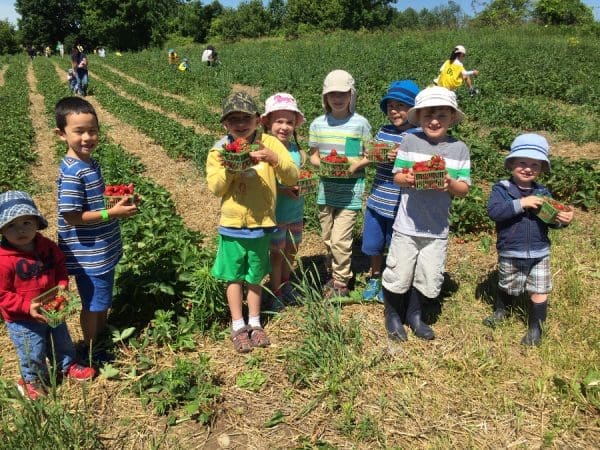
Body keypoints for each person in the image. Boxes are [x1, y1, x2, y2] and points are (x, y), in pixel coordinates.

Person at [206, 91, 298, 353]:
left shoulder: (268, 143)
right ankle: (238, 325)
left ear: (257, 120)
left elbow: (292, 176)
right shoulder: (219, 150)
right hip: (233, 224)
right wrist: (230, 168)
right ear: (225, 124)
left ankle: (255, 323)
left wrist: (274, 159)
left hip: (261, 224)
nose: (240, 124)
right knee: (234, 277)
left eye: (245, 118)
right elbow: (215, 187)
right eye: (233, 119)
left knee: (255, 275)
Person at [381, 86, 471, 341]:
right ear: (418, 117)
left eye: (442, 115)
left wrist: (450, 184)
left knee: (429, 276)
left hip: (437, 228)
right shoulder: (410, 141)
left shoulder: (459, 149)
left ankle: (415, 314)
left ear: (452, 118)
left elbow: (464, 189)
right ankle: (392, 314)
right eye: (428, 115)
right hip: (407, 224)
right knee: (399, 273)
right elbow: (397, 175)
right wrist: (407, 178)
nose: (434, 121)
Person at [55, 97, 138, 363]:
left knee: (101, 300)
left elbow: (92, 200)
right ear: (61, 134)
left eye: (92, 130)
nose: (87, 137)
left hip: (101, 247)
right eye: (78, 131)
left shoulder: (89, 164)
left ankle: (99, 337)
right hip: (89, 254)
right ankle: (91, 348)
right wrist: (110, 212)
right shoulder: (72, 173)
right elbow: (70, 215)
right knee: (93, 304)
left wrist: (116, 198)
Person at [0, 191, 96, 400]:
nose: (20, 230)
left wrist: (62, 284)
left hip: (53, 307)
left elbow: (60, 266)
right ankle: (32, 380)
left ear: (37, 222)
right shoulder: (4, 260)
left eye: (26, 222)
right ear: (2, 230)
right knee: (32, 350)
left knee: (62, 340)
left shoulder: (47, 247)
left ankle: (67, 364)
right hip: (22, 318)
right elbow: (2, 294)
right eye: (11, 225)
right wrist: (27, 307)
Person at [485, 134, 574, 346]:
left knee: (540, 288)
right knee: (508, 284)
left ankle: (536, 329)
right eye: (522, 162)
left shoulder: (543, 192)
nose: (527, 168)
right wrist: (521, 203)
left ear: (542, 168)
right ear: (512, 164)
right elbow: (495, 212)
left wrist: (563, 219)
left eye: (535, 164)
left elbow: (551, 221)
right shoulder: (502, 189)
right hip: (510, 249)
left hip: (539, 251)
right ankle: (502, 310)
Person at [309, 69, 372, 298]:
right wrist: (322, 165)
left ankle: (342, 282)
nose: (337, 98)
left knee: (340, 239)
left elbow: (369, 154)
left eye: (342, 94)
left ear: (351, 95)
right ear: (325, 97)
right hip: (326, 190)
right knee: (328, 237)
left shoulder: (360, 124)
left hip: (350, 191)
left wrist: (355, 166)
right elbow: (313, 155)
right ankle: (332, 273)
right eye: (332, 94)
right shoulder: (317, 124)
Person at [361, 80, 421, 303]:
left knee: (396, 244)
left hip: (402, 203)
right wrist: (383, 154)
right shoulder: (384, 131)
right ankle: (375, 276)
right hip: (378, 197)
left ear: (413, 110)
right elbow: (371, 153)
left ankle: (391, 280)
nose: (394, 111)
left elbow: (423, 166)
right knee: (373, 242)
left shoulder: (419, 135)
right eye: (390, 106)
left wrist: (404, 157)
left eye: (401, 106)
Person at [260, 93, 307, 307]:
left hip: (296, 211)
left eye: (289, 122)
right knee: (277, 254)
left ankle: (286, 285)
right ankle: (276, 291)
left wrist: (305, 182)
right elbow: (262, 180)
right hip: (276, 213)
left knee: (292, 250)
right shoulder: (264, 149)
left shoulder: (297, 149)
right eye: (279, 121)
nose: (284, 127)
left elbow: (299, 173)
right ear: (267, 122)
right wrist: (284, 187)